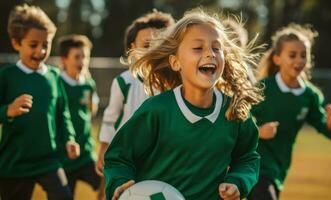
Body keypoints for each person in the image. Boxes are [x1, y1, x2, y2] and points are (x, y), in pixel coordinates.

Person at [104, 9, 263, 200]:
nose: (210, 54)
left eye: (216, 48)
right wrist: (120, 183)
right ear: (175, 62)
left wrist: (238, 181)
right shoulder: (157, 110)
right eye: (198, 48)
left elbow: (247, 157)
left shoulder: (234, 112)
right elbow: (119, 157)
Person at [248, 23, 331, 200]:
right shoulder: (263, 88)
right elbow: (236, 122)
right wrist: (258, 131)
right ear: (277, 59)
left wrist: (330, 123)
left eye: (303, 55)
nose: (299, 60)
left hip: (279, 168)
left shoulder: (310, 96)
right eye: (292, 55)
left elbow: (325, 127)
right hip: (253, 164)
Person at [0, 4, 79, 200]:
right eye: (33, 45)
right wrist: (8, 110)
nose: (41, 51)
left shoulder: (53, 76)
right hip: (15, 163)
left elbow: (63, 113)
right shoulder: (7, 76)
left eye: (46, 44)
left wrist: (69, 138)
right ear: (17, 43)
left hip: (49, 161)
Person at [96, 10, 174, 175]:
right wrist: (104, 148)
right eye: (146, 45)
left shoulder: (173, 82)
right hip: (128, 157)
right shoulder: (123, 82)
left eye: (157, 44)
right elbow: (111, 118)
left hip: (162, 158)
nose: (152, 50)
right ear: (133, 47)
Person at [57, 34, 103, 199]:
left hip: (85, 153)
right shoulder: (57, 83)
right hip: (62, 157)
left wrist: (92, 100)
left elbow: (92, 109)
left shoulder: (88, 83)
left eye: (85, 57)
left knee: (106, 182)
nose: (82, 61)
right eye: (77, 57)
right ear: (64, 59)